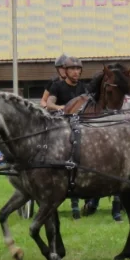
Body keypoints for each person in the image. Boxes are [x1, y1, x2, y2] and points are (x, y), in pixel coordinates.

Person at [43, 55, 86, 218]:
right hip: (63, 125)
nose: (76, 72)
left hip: (81, 125)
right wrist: (61, 107)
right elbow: (49, 104)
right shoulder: (57, 86)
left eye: (78, 69)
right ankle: (74, 204)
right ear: (66, 71)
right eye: (72, 69)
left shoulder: (84, 87)